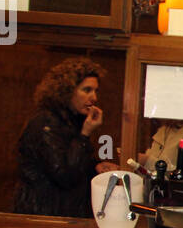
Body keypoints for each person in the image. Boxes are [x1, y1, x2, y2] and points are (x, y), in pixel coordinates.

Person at [12, 58, 118, 217]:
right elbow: (65, 174)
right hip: (43, 216)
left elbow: (71, 161)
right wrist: (85, 134)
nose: (94, 98)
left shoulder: (71, 121)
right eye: (87, 90)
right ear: (67, 91)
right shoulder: (46, 122)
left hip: (61, 213)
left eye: (96, 91)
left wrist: (94, 167)